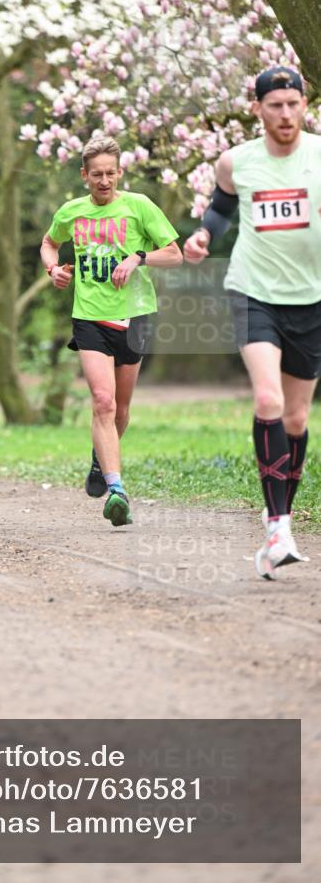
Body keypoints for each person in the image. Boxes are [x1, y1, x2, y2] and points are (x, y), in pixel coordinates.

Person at [184, 65, 320, 580]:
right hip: (253, 292)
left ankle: (277, 514)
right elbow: (220, 211)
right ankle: (279, 528)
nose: (285, 114)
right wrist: (203, 237)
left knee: (297, 420)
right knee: (268, 400)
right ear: (258, 108)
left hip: (311, 298)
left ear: (304, 105)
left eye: (293, 103)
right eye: (275, 105)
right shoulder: (236, 161)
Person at [41, 134, 182, 526]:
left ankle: (99, 459)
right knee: (102, 402)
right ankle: (117, 490)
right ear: (84, 175)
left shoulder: (139, 207)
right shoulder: (72, 211)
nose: (104, 181)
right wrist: (53, 269)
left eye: (110, 174)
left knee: (120, 409)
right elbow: (49, 243)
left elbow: (174, 254)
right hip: (90, 316)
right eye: (96, 175)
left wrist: (139, 257)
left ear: (120, 172)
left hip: (134, 315)